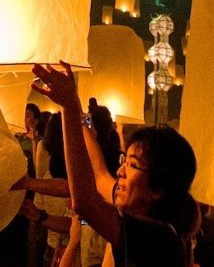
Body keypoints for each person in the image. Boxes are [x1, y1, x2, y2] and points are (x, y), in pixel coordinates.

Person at [30, 61, 199, 267]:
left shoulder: (159, 240)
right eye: (123, 161)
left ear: (159, 189)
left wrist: (69, 107)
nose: (119, 171)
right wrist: (79, 114)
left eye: (132, 165)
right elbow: (100, 174)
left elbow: (85, 203)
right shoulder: (141, 211)